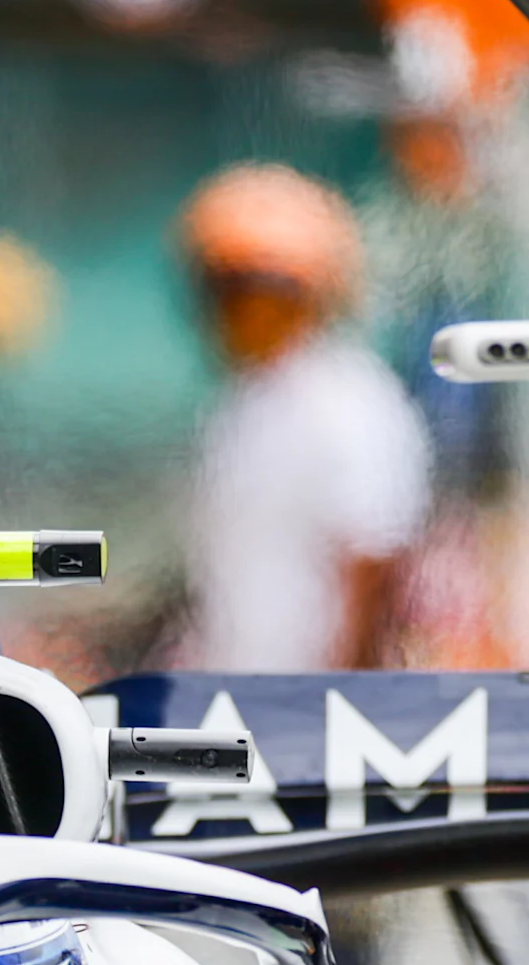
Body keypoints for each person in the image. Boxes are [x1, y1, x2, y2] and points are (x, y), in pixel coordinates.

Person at [172, 164, 431, 675]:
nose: (229, 310)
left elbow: (375, 561)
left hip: (312, 705)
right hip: (246, 689)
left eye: (247, 288)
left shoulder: (349, 402)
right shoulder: (248, 403)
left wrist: (342, 702)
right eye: (219, 288)